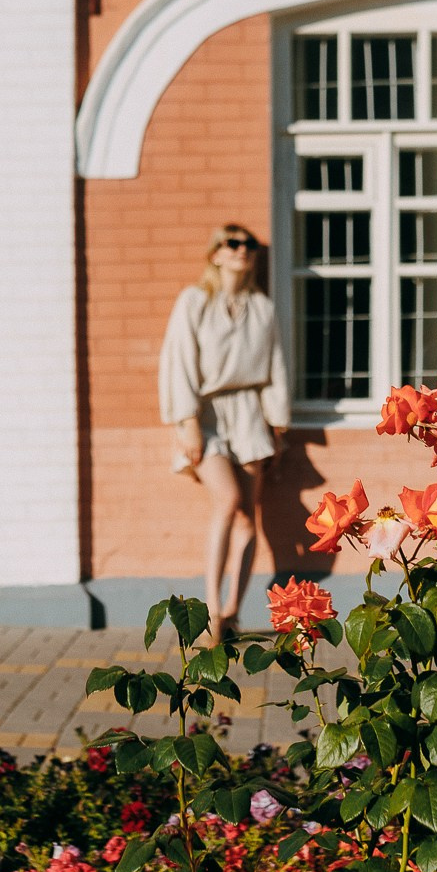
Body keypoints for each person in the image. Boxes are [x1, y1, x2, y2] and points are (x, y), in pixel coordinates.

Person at [160, 224, 290, 640]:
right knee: (228, 500)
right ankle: (211, 610)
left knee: (249, 519)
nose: (242, 251)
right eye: (232, 243)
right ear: (215, 253)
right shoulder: (194, 301)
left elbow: (275, 368)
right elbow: (177, 360)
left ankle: (233, 609)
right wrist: (187, 422)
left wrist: (278, 424)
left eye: (248, 245)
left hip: (250, 412)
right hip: (207, 411)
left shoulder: (262, 308)